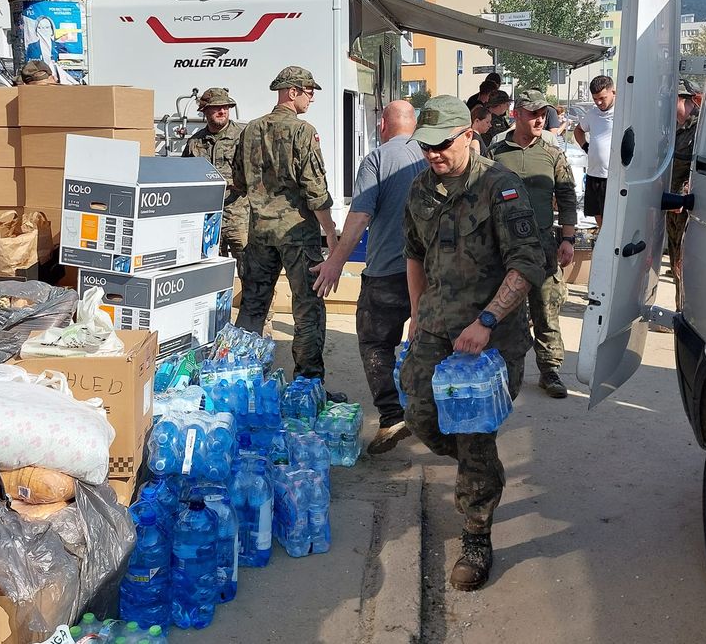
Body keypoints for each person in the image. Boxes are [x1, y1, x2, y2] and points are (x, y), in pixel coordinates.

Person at [401, 95, 546, 591]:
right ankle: (473, 468)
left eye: (441, 145)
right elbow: (414, 254)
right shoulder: (421, 187)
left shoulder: (500, 187)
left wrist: (486, 319)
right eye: (424, 146)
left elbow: (528, 263)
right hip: (437, 328)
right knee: (420, 414)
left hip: (489, 339)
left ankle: (476, 534)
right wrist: (417, 314)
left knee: (473, 433)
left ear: (469, 135)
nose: (432, 155)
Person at [311, 100, 427, 454]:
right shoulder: (434, 153)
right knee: (429, 342)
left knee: (375, 342)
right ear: (416, 124)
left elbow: (360, 217)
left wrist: (334, 261)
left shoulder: (377, 159)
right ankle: (433, 416)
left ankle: (392, 416)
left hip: (387, 272)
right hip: (433, 272)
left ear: (382, 127)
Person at [233, 66, 340, 393]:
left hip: (260, 232)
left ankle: (239, 379)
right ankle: (308, 386)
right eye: (308, 91)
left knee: (253, 304)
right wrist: (332, 235)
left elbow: (238, 180)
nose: (311, 97)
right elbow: (315, 190)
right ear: (291, 91)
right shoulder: (302, 132)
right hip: (297, 233)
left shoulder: (250, 130)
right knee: (307, 307)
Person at [487, 90, 578, 399]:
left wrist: (567, 238)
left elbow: (567, 197)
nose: (540, 118)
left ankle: (550, 370)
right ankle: (505, 370)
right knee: (506, 308)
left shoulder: (553, 154)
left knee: (547, 306)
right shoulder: (496, 152)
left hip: (543, 245)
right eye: (532, 113)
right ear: (517, 114)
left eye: (543, 113)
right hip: (504, 246)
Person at [183, 87, 248, 270]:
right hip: (208, 218)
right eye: (216, 107)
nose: (222, 111)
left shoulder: (244, 137)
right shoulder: (195, 143)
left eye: (226, 107)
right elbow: (185, 178)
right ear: (204, 111)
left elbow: (258, 173)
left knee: (250, 271)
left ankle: (252, 300)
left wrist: (234, 183)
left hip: (238, 217)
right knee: (209, 268)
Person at [666, 78, 701, 310]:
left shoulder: (700, 127)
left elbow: (697, 168)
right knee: (675, 262)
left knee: (684, 263)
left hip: (688, 209)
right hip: (670, 208)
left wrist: (683, 192)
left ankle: (687, 312)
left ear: (682, 99)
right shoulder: (671, 128)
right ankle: (680, 310)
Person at [573, 75, 616, 227]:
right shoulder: (592, 113)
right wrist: (586, 146)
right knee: (596, 214)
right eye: (595, 98)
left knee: (610, 219)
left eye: (602, 98)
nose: (598, 102)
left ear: (613, 92)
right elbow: (578, 130)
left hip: (611, 176)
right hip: (593, 174)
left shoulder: (622, 114)